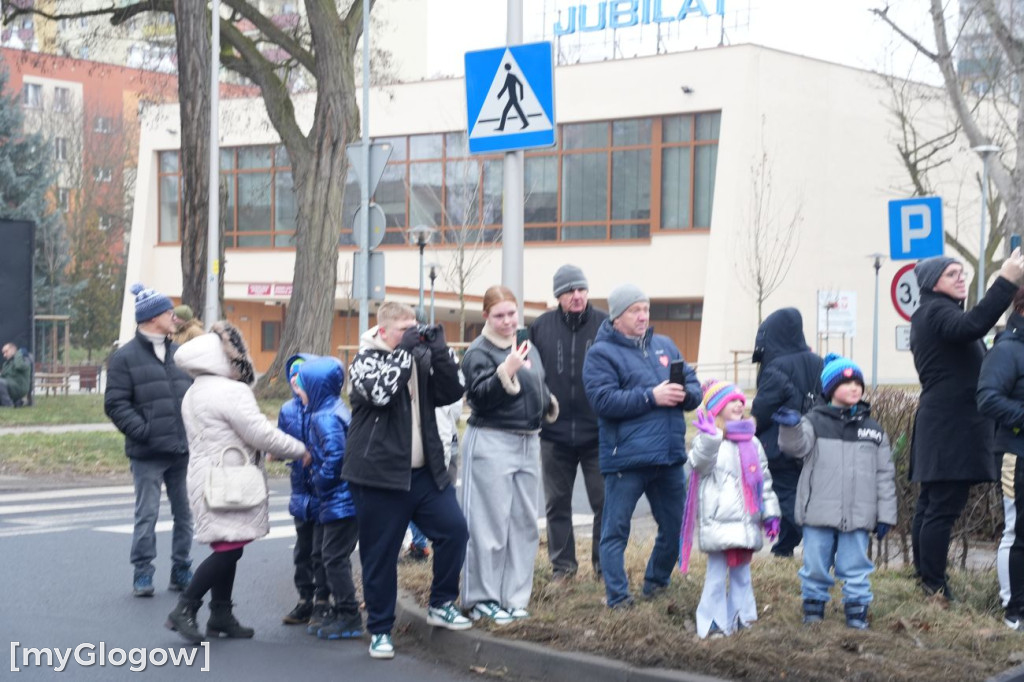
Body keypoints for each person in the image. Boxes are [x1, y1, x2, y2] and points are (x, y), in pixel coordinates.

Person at [342, 301, 471, 660]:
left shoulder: (422, 356)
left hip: (425, 473)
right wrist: (404, 353)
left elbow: (453, 391)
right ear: (384, 332)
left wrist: (440, 350)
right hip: (377, 475)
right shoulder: (364, 360)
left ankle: (442, 602)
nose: (413, 335)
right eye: (404, 329)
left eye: (416, 327)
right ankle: (380, 630)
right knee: (380, 553)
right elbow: (381, 394)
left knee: (454, 530)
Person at [166, 322, 308, 643]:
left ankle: (221, 615)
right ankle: (185, 608)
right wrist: (300, 450)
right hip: (229, 479)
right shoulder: (231, 390)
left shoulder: (196, 390)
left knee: (229, 545)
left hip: (206, 477)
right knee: (229, 550)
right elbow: (259, 432)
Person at [910, 251, 1024, 599]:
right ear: (933, 284)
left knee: (931, 505)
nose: (961, 278)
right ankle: (933, 584)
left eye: (962, 273)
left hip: (944, 422)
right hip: (950, 425)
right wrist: (1006, 281)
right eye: (951, 274)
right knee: (941, 506)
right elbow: (974, 325)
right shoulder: (936, 311)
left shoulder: (936, 313)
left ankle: (927, 579)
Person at [582, 283, 702, 609]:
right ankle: (618, 596)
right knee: (615, 531)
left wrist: (684, 395)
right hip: (627, 459)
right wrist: (652, 396)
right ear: (617, 316)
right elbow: (603, 400)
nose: (642, 316)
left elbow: (693, 386)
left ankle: (656, 583)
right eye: (635, 310)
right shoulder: (601, 353)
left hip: (668, 456)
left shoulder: (664, 345)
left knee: (677, 526)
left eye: (646, 309)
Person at [775, 354, 897, 629]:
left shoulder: (873, 430)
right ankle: (814, 609)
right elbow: (795, 448)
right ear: (830, 389)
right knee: (815, 565)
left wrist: (885, 514)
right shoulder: (812, 423)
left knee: (855, 566)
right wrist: (789, 426)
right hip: (819, 512)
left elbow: (884, 475)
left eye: (858, 383)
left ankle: (856, 611)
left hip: (858, 515)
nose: (855, 387)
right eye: (846, 383)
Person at [461, 285, 558, 625]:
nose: (506, 321)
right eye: (499, 315)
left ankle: (514, 597)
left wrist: (546, 403)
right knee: (487, 526)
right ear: (486, 316)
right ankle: (481, 598)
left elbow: (540, 382)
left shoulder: (526, 346)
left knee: (524, 525)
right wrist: (508, 370)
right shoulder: (478, 352)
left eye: (511, 314)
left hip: (528, 440)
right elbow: (480, 397)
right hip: (491, 439)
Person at [104, 282, 195, 597]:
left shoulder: (180, 354)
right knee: (147, 514)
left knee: (185, 514)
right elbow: (115, 404)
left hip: (182, 451)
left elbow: (193, 394)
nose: (175, 317)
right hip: (147, 454)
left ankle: (181, 568)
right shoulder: (124, 358)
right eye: (169, 311)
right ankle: (143, 573)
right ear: (153, 316)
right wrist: (144, 431)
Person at [682, 380, 780, 638]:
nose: (738, 404)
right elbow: (699, 464)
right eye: (730, 401)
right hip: (719, 523)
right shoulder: (710, 440)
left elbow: (764, 481)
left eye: (740, 400)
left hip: (746, 522)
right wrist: (711, 438)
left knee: (742, 575)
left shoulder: (753, 442)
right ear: (717, 408)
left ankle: (743, 619)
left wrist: (770, 514)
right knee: (715, 577)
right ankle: (712, 622)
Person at [529, 264, 607, 582]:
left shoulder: (605, 325)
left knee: (605, 502)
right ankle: (563, 567)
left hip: (598, 433)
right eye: (569, 291)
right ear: (558, 296)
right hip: (554, 433)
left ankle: (604, 567)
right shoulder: (540, 327)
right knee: (557, 503)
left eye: (581, 289)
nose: (577, 296)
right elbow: (531, 373)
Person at [293, 356, 363, 640]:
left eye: (302, 384)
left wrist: (320, 480)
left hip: (339, 500)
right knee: (330, 555)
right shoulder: (332, 408)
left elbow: (336, 456)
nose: (298, 389)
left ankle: (349, 614)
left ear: (317, 387)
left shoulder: (324, 416)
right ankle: (342, 608)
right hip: (340, 499)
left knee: (333, 558)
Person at [749, 307, 823, 558]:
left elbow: (763, 407)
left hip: (778, 442)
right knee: (799, 491)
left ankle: (817, 542)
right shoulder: (817, 361)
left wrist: (751, 430)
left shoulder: (776, 366)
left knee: (786, 495)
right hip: (809, 439)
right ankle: (784, 547)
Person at [976, 286, 1024, 630]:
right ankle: (1013, 612)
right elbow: (988, 399)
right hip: (1017, 455)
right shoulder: (1007, 350)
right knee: (1018, 532)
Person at [277, 354, 329, 628]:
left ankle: (323, 600)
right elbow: (281, 440)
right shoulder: (287, 410)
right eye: (293, 375)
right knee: (303, 550)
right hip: (300, 491)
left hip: (323, 493)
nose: (296, 381)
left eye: (302, 376)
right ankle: (304, 599)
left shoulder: (326, 409)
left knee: (322, 551)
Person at [0, 342, 30, 407]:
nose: (4, 355)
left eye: (6, 352)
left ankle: (8, 404)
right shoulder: (6, 363)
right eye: (3, 353)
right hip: (9, 386)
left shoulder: (25, 359)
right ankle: (17, 402)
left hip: (19, 387)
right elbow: (3, 376)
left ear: (12, 350)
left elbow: (19, 366)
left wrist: (18, 353)